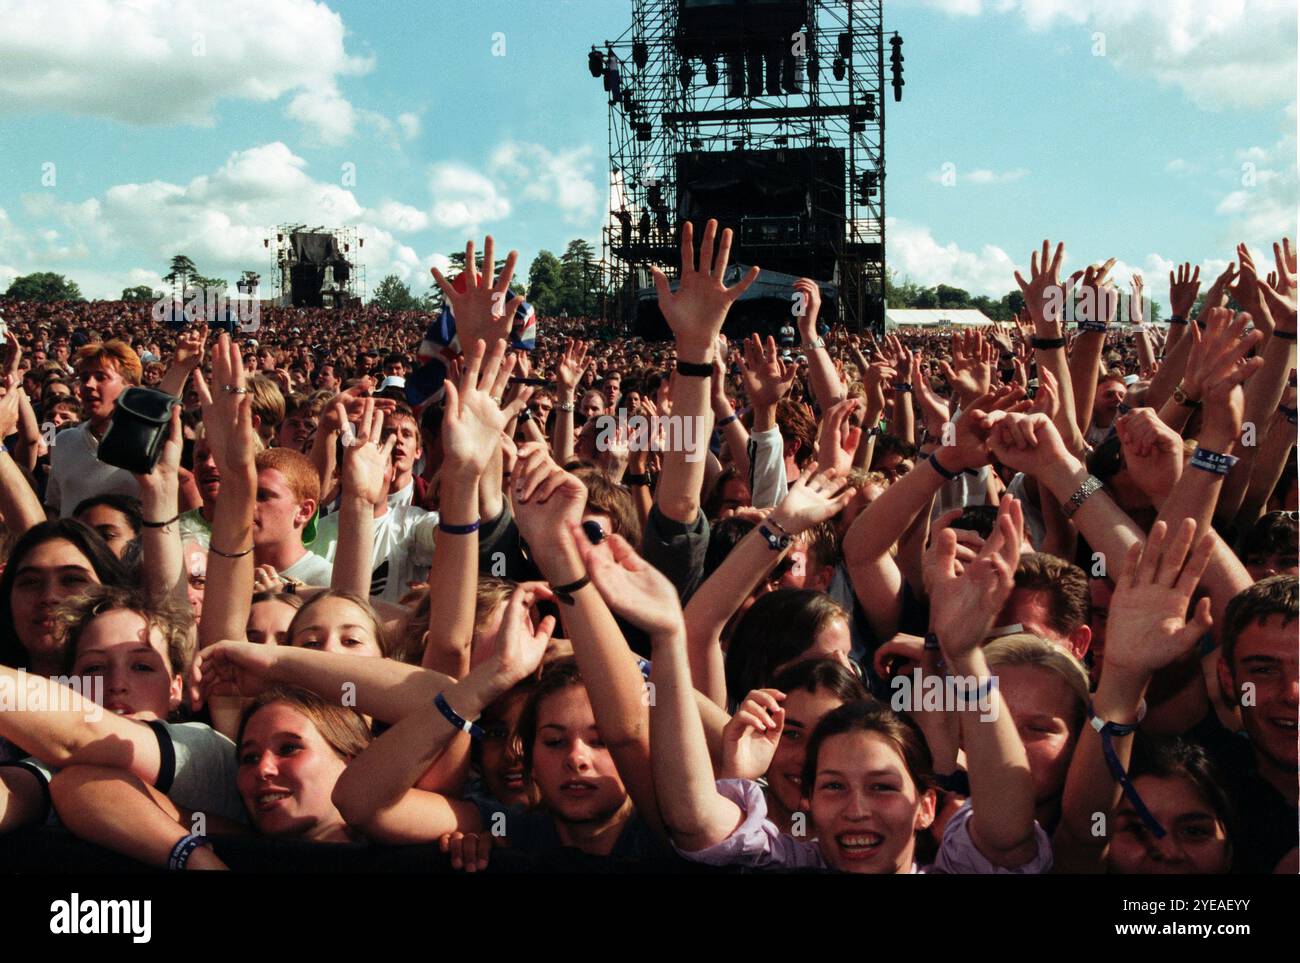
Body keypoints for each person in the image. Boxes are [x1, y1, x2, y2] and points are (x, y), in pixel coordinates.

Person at [45, 339, 142, 516]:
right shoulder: (63, 441)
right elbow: (54, 507)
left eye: (100, 377)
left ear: (129, 390)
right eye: (84, 378)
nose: (88, 385)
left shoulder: (145, 446)